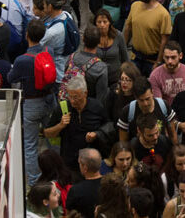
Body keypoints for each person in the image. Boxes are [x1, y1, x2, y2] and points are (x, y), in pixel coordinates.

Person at [8, 20, 56, 185]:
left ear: (27, 35)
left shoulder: (22, 60)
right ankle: (55, 174)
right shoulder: (49, 50)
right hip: (50, 100)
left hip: (31, 105)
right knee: (53, 139)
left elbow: (11, 78)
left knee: (30, 144)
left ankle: (34, 181)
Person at [44, 75, 112, 173]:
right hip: (69, 162)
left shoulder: (97, 106)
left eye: (76, 97)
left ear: (85, 93)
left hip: (91, 161)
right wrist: (60, 125)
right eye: (69, 96)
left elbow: (108, 126)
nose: (72, 101)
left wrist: (97, 134)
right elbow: (47, 133)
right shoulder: (62, 108)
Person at [124, 0, 172, 75]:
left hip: (151, 61)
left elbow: (164, 40)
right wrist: (124, 50)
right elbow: (128, 28)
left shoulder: (163, 14)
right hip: (135, 57)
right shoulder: (135, 6)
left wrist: (158, 62)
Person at [65, 148, 103, 218]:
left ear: (85, 168)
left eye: (79, 163)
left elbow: (69, 214)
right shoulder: (111, 184)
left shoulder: (75, 191)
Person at [149, 40, 185, 106]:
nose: (170, 61)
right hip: (166, 111)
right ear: (163, 56)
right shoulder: (155, 75)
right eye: (167, 57)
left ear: (180, 56)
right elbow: (158, 104)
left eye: (173, 57)